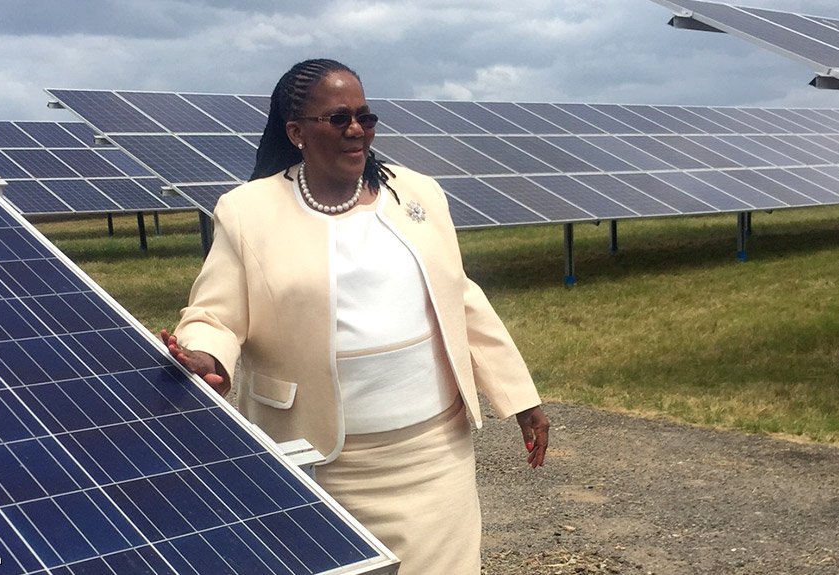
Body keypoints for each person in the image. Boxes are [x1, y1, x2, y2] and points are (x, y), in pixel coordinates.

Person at [161, 58, 549, 573]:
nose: (356, 131)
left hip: (434, 456)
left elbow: (461, 298)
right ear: (295, 131)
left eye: (365, 117)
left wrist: (521, 398)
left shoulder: (417, 192)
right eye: (338, 118)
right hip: (322, 460)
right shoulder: (247, 211)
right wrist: (205, 356)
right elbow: (216, 313)